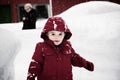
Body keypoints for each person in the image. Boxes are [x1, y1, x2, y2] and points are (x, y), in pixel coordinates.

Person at [27, 17, 94, 80]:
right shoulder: (41, 47)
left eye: (60, 34)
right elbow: (36, 63)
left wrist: (86, 64)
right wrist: (31, 76)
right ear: (47, 34)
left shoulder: (67, 47)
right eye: (53, 34)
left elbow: (75, 58)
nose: (57, 37)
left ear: (64, 34)